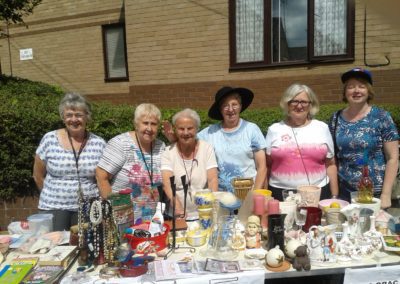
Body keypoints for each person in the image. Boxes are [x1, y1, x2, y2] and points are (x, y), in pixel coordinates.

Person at [33, 93, 106, 231]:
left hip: (88, 207)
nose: (74, 119)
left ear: (87, 116)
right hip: (54, 206)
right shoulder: (49, 139)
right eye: (69, 115)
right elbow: (37, 175)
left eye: (78, 115)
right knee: (55, 247)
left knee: (86, 248)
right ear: (63, 117)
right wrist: (55, 194)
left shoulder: (99, 143)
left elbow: (103, 177)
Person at [328, 68, 399, 209]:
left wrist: (386, 194)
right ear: (345, 92)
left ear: (369, 91)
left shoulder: (382, 117)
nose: (356, 90)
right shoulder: (335, 119)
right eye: (351, 86)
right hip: (346, 193)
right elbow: (332, 158)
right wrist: (334, 194)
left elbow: (393, 157)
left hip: (376, 194)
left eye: (361, 86)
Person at [265, 84, 339, 201]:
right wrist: (265, 196)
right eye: (294, 101)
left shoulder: (322, 128)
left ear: (310, 105)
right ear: (287, 104)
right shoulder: (274, 129)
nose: (299, 106)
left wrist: (334, 196)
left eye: (304, 102)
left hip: (318, 192)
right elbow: (267, 165)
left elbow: (330, 164)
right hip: (280, 194)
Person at [96, 103, 165, 224]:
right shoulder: (121, 144)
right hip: (123, 218)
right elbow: (101, 176)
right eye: (145, 123)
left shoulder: (160, 146)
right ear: (136, 124)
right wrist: (114, 210)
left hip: (152, 219)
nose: (149, 128)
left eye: (153, 124)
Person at [197, 86, 267, 193]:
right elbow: (188, 141)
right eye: (225, 106)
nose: (230, 109)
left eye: (234, 104)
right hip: (221, 196)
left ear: (240, 106)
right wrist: (173, 138)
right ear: (220, 110)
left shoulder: (252, 129)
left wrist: (256, 194)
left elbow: (262, 167)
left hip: (248, 195)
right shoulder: (210, 132)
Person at [161, 108, 218, 219]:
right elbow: (167, 183)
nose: (186, 133)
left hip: (204, 212)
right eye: (181, 129)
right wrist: (178, 208)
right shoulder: (168, 152)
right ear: (175, 130)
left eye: (190, 128)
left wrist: (211, 207)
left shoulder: (206, 148)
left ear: (197, 129)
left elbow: (213, 180)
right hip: (177, 215)